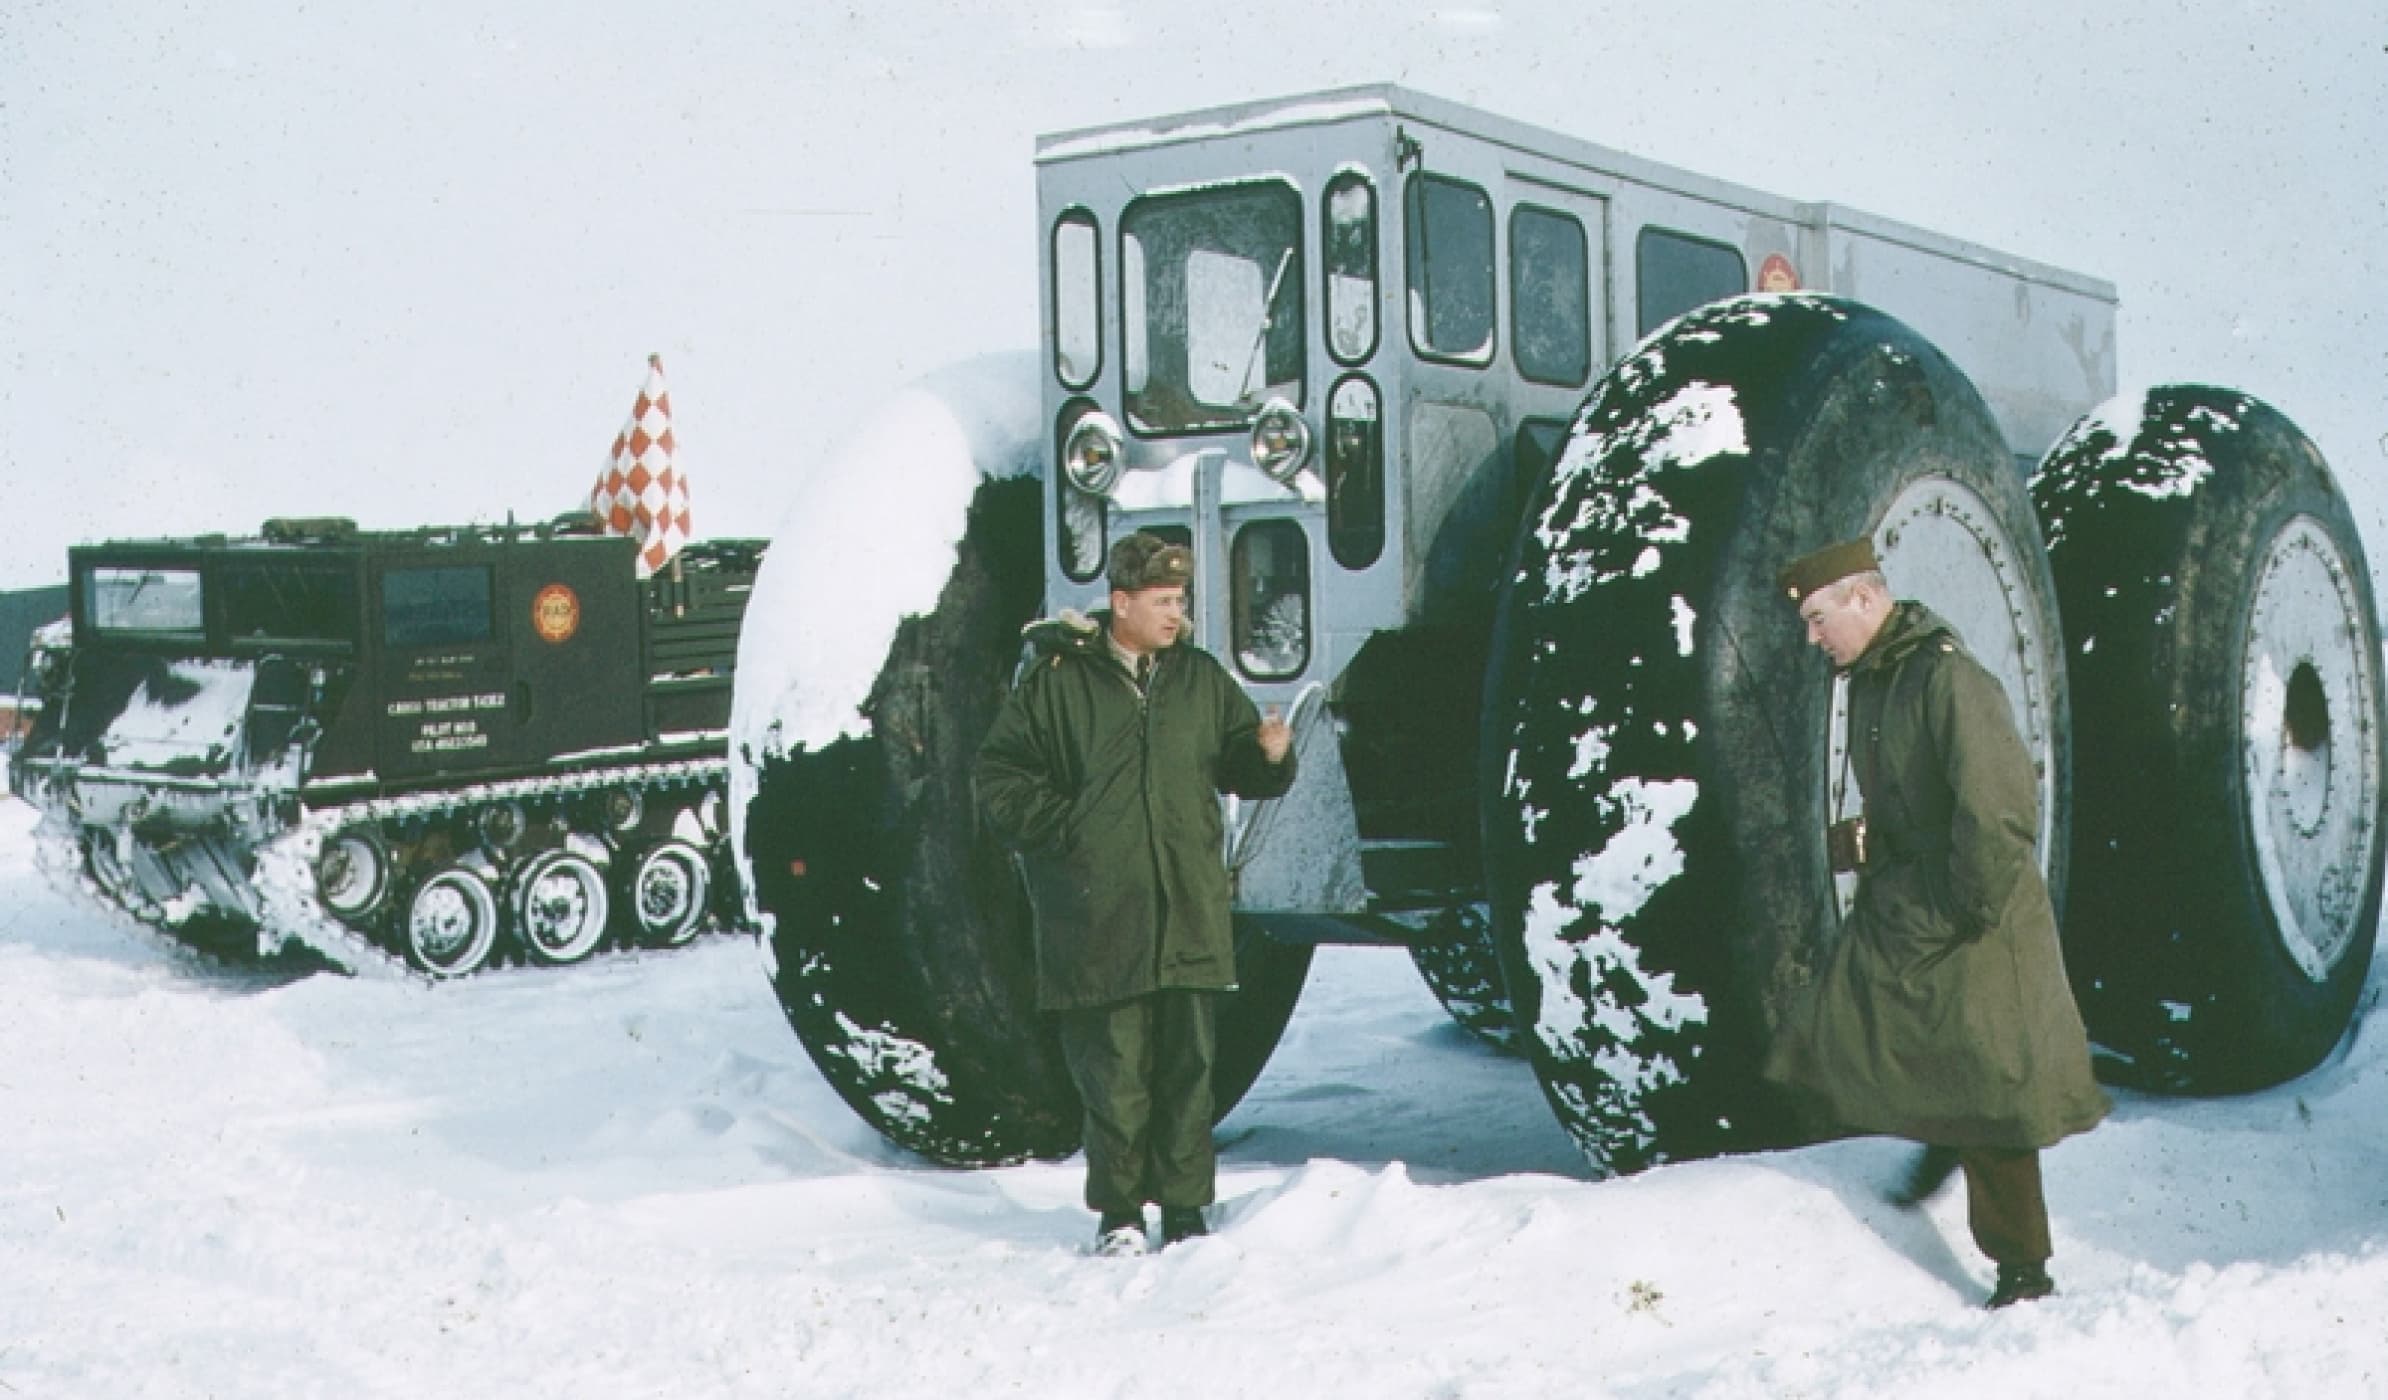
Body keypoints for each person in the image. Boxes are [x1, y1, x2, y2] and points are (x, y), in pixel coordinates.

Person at [1763, 536, 2109, 1309]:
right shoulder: (1876, 678)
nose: (1813, 637)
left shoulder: (1945, 675)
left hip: (1971, 914)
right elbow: (1912, 797)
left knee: (1994, 1092)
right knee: (1842, 1029)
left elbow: (1999, 807)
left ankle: (2024, 1273)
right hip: (1914, 902)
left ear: (1864, 598)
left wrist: (1963, 909)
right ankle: (1924, 1143)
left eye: (1819, 618)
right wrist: (1862, 840)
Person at [974, 532, 1295, 1257]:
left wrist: (1269, 755)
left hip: (1188, 910)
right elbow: (999, 773)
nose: (1177, 614)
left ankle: (1184, 1213)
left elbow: (1241, 765)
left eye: (1180, 601)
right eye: (1162, 601)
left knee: (1188, 1076)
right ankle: (1119, 1215)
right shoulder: (1057, 683)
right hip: (1097, 916)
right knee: (1115, 1079)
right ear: (1121, 603)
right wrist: (1068, 833)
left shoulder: (1201, 679)